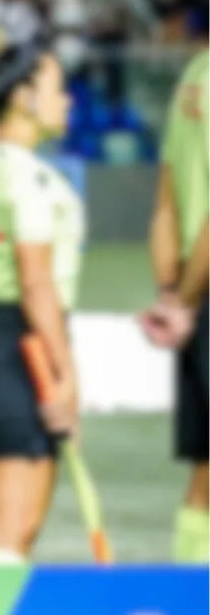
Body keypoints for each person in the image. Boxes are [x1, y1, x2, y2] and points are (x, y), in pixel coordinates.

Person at [0, 43, 79, 563]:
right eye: (56, 89)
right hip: (27, 347)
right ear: (22, 98)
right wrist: (65, 376)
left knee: (3, 536)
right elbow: (37, 282)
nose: (68, 101)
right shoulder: (29, 178)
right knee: (12, 541)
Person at [138, 47, 209, 562]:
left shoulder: (195, 72)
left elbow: (167, 198)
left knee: (203, 474)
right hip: (197, 290)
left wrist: (173, 294)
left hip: (194, 290)